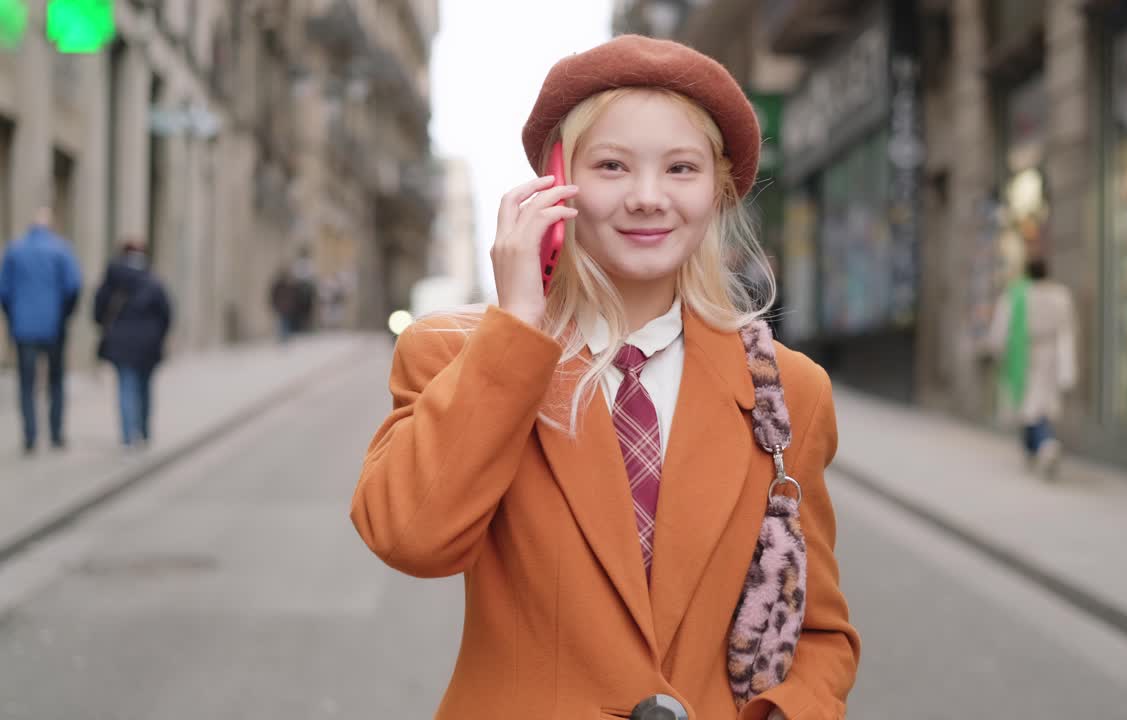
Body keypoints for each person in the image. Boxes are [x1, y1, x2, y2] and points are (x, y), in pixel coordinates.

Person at [349, 36, 859, 719]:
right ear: (558, 180)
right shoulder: (454, 355)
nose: (648, 198)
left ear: (719, 188)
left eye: (681, 168)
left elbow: (819, 632)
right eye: (613, 166)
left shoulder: (788, 392)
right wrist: (520, 326)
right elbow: (411, 537)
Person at [986, 257, 1078, 478]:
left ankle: (1045, 445)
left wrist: (997, 351)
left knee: (1031, 406)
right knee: (1038, 405)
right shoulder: (1060, 295)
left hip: (1024, 354)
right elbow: (1067, 330)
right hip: (1050, 354)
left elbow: (1000, 328)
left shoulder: (1016, 296)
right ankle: (1034, 449)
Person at [0, 206, 81, 454]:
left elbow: (4, 290)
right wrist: (64, 315)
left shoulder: (15, 250)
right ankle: (56, 434)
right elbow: (73, 286)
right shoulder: (61, 250)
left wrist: (13, 316)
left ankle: (30, 437)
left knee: (26, 383)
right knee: (55, 381)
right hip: (54, 326)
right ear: (50, 226)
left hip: (23, 327)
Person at [93, 240, 171, 448]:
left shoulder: (113, 281)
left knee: (126, 387)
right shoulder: (153, 281)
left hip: (121, 343)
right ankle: (143, 432)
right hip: (148, 344)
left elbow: (98, 310)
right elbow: (166, 314)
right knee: (144, 388)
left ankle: (128, 437)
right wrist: (158, 336)